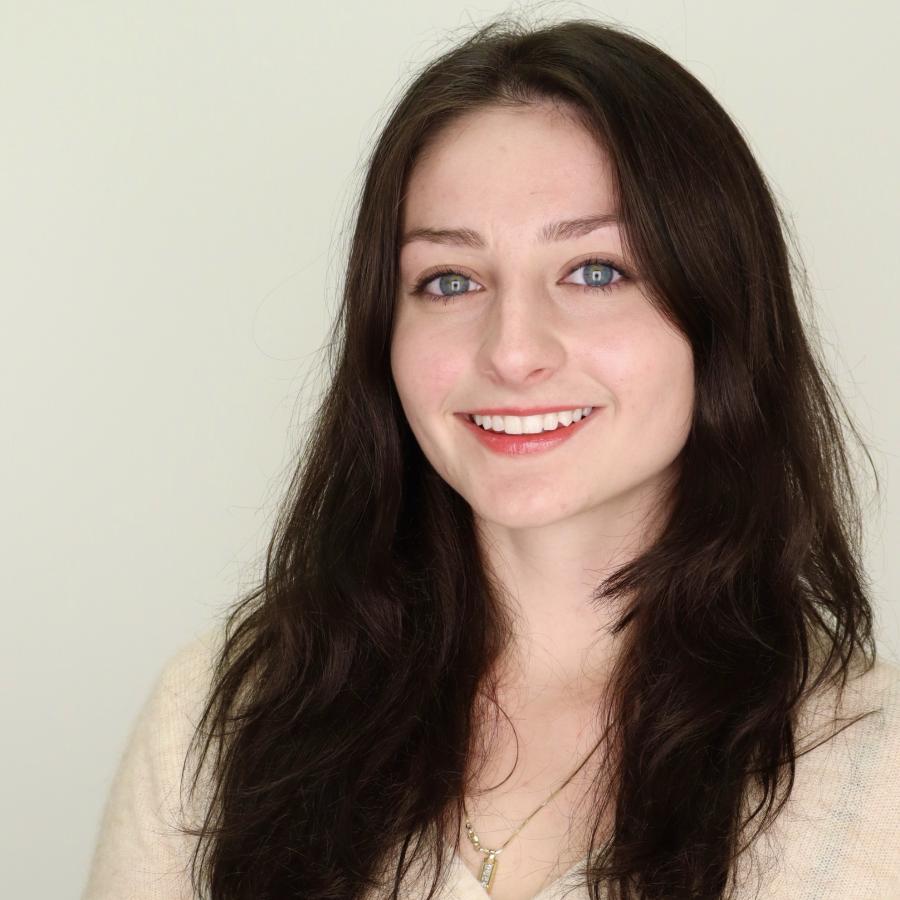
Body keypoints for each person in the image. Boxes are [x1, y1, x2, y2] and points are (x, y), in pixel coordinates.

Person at [82, 15, 900, 900]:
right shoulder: (219, 714)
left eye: (594, 271)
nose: (512, 352)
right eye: (450, 280)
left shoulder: (872, 767)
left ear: (720, 316)